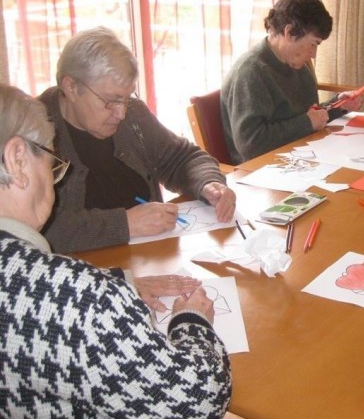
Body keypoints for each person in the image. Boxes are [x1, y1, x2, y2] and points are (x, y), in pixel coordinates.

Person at [0, 84, 231, 417]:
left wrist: (114, 280)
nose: (54, 181)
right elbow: (200, 399)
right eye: (51, 165)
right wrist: (191, 322)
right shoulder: (79, 300)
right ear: (18, 160)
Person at [38, 27, 237, 253]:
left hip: (151, 257)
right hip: (81, 272)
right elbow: (40, 229)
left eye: (126, 98)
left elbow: (181, 158)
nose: (121, 113)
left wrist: (209, 183)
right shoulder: (33, 135)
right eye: (110, 101)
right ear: (71, 87)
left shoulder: (132, 116)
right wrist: (125, 224)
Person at [220, 0, 363, 164]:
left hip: (301, 157)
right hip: (264, 170)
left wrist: (338, 106)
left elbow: (305, 117)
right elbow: (250, 144)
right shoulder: (251, 73)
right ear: (289, 32)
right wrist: (307, 123)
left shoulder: (295, 64)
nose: (313, 54)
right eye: (313, 44)